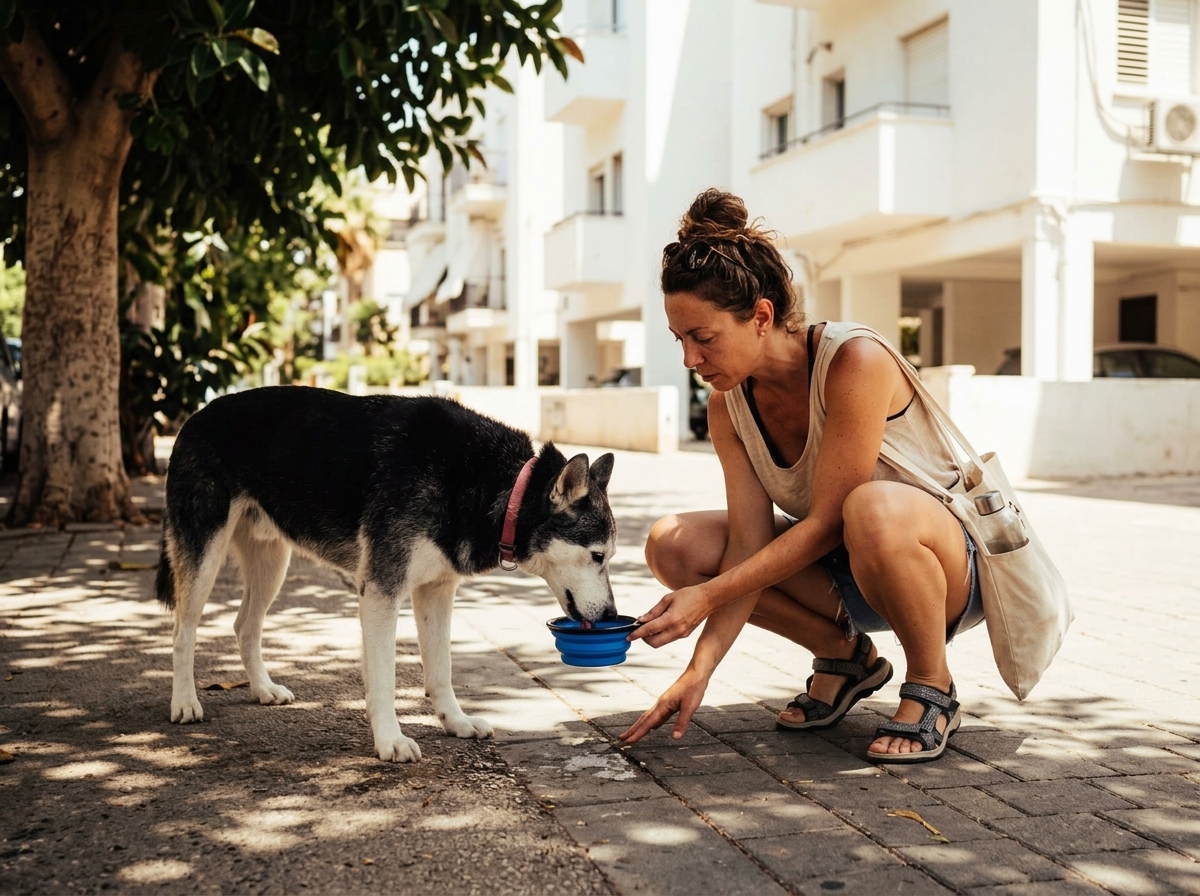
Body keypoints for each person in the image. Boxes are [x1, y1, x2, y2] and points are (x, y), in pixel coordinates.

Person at [619, 189, 984, 763]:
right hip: (849, 573)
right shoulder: (728, 405)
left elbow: (827, 522)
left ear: (761, 316)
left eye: (704, 338)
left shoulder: (853, 361)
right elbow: (747, 542)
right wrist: (700, 670)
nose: (690, 359)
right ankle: (845, 657)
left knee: (868, 507)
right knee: (675, 545)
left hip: (943, 567)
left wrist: (706, 599)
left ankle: (933, 685)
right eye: (680, 340)